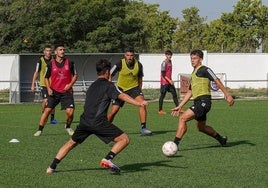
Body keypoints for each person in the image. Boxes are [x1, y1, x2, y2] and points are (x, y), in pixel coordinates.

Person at [46, 59, 149, 174]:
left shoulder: (92, 86)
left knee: (71, 143)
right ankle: (108, 159)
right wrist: (139, 103)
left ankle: (51, 167)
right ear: (107, 72)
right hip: (98, 122)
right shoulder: (109, 86)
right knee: (124, 139)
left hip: (84, 121)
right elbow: (122, 95)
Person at [171, 49, 234, 149]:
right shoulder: (193, 73)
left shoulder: (205, 69)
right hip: (198, 102)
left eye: (195, 58)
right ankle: (221, 139)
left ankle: (174, 145)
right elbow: (190, 92)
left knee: (182, 118)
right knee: (201, 127)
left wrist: (227, 95)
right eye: (191, 58)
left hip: (203, 102)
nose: (192, 60)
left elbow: (216, 80)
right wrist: (179, 106)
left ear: (200, 59)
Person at [34, 44, 78, 136]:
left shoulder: (70, 63)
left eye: (63, 49)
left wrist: (70, 85)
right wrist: (49, 88)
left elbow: (75, 75)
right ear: (56, 52)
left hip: (67, 92)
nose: (62, 51)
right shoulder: (50, 64)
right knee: (47, 110)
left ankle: (68, 126)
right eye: (60, 50)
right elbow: (46, 77)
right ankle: (40, 130)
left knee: (70, 112)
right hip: (54, 92)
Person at [107, 47, 152, 136]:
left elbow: (140, 79)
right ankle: (104, 128)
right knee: (113, 111)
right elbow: (110, 74)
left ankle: (143, 128)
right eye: (128, 55)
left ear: (133, 55)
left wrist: (139, 90)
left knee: (142, 104)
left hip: (134, 88)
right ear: (125, 55)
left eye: (131, 55)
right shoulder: (119, 63)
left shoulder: (139, 65)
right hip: (120, 89)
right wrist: (110, 87)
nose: (130, 57)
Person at [31, 45, 57, 124]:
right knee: (45, 100)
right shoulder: (40, 61)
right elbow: (36, 72)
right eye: (47, 51)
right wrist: (33, 84)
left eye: (50, 51)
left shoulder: (54, 60)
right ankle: (44, 113)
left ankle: (52, 119)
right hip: (44, 84)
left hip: (53, 84)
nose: (49, 52)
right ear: (44, 52)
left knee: (52, 102)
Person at [158, 50, 179, 115]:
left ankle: (178, 108)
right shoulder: (164, 63)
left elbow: (169, 73)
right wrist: (169, 80)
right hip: (164, 82)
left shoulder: (170, 62)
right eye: (168, 55)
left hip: (169, 82)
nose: (170, 56)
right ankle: (160, 110)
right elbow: (163, 74)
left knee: (175, 94)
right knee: (162, 96)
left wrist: (171, 80)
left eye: (170, 55)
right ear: (166, 55)